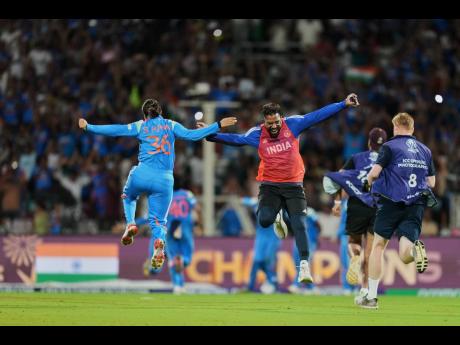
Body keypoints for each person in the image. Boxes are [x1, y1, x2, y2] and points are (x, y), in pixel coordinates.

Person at [200, 93, 359, 284]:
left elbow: (317, 116)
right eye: (270, 123)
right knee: (264, 220)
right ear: (264, 122)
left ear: (280, 118)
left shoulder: (293, 124)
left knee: (300, 224)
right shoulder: (257, 134)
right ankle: (277, 216)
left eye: (276, 122)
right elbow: (236, 139)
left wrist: (343, 104)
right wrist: (209, 134)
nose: (274, 126)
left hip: (293, 186)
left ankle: (303, 267)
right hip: (270, 186)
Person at [78, 98, 237, 270]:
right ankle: (159, 242)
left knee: (129, 196)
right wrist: (218, 125)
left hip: (143, 174)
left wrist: (89, 126)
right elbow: (193, 135)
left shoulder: (141, 126)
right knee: (158, 222)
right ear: (160, 112)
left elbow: (117, 130)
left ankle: (130, 223)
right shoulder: (171, 125)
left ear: (145, 115)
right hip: (165, 180)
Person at [357, 113, 437, 309]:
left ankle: (372, 297)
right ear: (412, 128)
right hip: (416, 204)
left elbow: (374, 173)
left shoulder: (390, 146)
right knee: (404, 254)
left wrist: (366, 183)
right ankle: (415, 252)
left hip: (391, 203)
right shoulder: (425, 150)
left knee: (378, 246)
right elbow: (432, 182)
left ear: (395, 127)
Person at [323, 127, 387, 303]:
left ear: (369, 142)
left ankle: (355, 257)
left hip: (357, 205)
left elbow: (339, 179)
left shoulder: (356, 158)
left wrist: (337, 203)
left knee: (354, 243)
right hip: (378, 207)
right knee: (372, 252)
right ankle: (365, 290)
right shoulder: (388, 161)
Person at [242, 196, 281, 293]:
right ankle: (251, 286)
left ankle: (272, 282)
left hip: (273, 237)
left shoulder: (277, 206)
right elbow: (243, 200)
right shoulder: (257, 203)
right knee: (257, 261)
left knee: (268, 261)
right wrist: (255, 200)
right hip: (261, 237)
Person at [287, 206, 321, 294]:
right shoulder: (293, 210)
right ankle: (311, 287)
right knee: (297, 263)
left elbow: (318, 224)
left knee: (305, 263)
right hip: (298, 240)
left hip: (309, 241)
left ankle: (296, 285)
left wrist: (316, 237)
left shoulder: (310, 211)